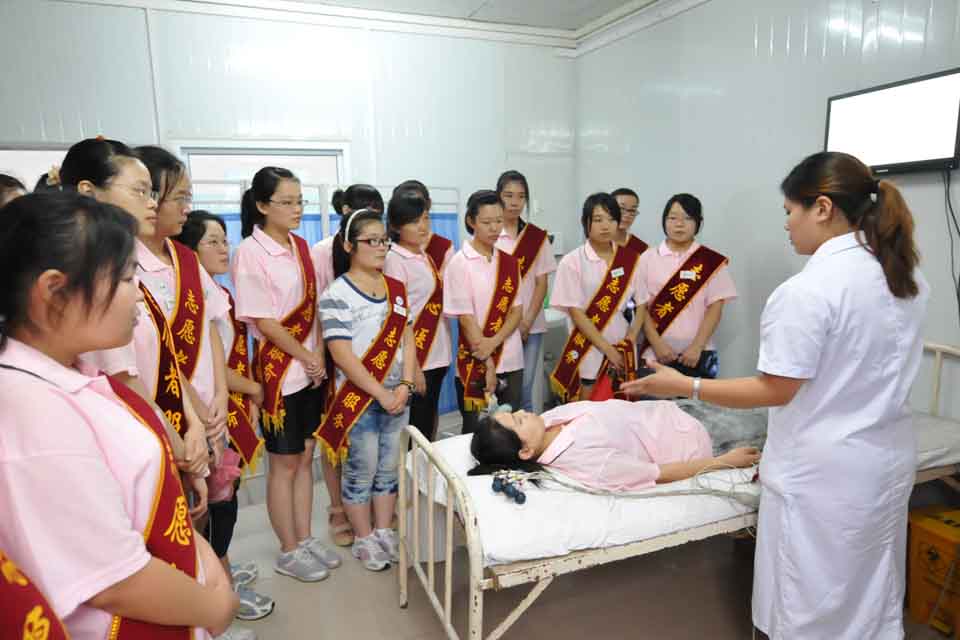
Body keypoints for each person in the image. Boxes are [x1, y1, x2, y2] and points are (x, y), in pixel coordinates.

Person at [622, 151, 929, 640]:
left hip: (822, 475)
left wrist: (683, 385)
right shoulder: (906, 278)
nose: (786, 224)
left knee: (807, 605)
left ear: (822, 208)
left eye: (790, 211)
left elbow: (775, 389)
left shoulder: (808, 292)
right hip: (883, 462)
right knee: (868, 593)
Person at [0, 192, 238, 638]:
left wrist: (201, 558)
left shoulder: (73, 373)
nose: (140, 300)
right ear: (53, 292)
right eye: (128, 278)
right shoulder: (31, 411)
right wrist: (216, 606)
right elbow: (115, 580)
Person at [231, 166, 339, 583]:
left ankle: (305, 537)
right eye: (287, 202)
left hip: (309, 370)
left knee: (306, 457)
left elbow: (313, 309)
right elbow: (263, 319)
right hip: (281, 373)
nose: (297, 209)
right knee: (284, 463)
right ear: (262, 205)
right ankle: (288, 549)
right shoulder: (250, 252)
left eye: (300, 201)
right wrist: (307, 355)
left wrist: (317, 355)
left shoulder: (301, 246)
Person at [176, 210, 277, 632]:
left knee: (222, 504)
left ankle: (224, 578)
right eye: (212, 241)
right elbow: (181, 366)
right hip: (197, 417)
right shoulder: (184, 295)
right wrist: (249, 390)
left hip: (216, 410)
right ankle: (220, 599)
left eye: (224, 239)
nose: (224, 249)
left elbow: (217, 358)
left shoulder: (214, 291)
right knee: (212, 510)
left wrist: (229, 395)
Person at [316, 208, 416, 571]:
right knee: (362, 469)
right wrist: (381, 393)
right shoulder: (336, 294)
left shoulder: (396, 289)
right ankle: (363, 537)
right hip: (359, 398)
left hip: (397, 394)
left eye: (384, 240)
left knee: (389, 468)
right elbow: (341, 355)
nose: (380, 247)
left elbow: (407, 337)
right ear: (349, 245)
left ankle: (383, 530)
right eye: (370, 240)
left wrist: (405, 383)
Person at [310, 182, 385, 548]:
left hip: (373, 355)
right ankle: (338, 509)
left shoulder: (380, 248)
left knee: (372, 445)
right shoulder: (322, 251)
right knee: (337, 436)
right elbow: (315, 305)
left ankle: (370, 513)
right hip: (335, 351)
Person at [467, 400, 760, 488]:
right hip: (700, 440)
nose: (524, 412)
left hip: (675, 411)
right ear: (526, 451)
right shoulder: (586, 461)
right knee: (770, 421)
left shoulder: (546, 423)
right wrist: (725, 462)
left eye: (515, 413)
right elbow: (658, 473)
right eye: (518, 421)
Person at [550, 193, 648, 402]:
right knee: (588, 408)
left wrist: (631, 338)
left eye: (611, 219)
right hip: (587, 347)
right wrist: (607, 349)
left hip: (622, 346)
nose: (605, 226)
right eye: (598, 219)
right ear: (586, 223)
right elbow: (576, 313)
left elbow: (642, 303)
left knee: (622, 408)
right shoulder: (572, 261)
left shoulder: (631, 259)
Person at [443, 190, 523, 433]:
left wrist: (493, 342)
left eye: (499, 221)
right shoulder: (459, 263)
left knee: (511, 431)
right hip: (475, 362)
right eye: (487, 222)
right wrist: (487, 361)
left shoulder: (509, 263)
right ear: (471, 221)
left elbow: (516, 311)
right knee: (476, 433)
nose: (494, 228)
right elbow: (466, 319)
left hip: (511, 358)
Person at [638, 193, 737, 378]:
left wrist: (697, 347)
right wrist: (657, 344)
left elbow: (715, 308)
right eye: (672, 218)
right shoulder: (647, 258)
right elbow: (640, 307)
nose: (679, 224)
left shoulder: (710, 260)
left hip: (700, 353)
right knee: (652, 398)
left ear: (699, 222)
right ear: (664, 221)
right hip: (654, 353)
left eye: (687, 218)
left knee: (698, 399)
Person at [383, 189, 451, 441]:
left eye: (425, 218)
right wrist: (415, 368)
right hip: (418, 359)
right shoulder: (394, 260)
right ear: (395, 226)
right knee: (415, 432)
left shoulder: (423, 255)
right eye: (413, 221)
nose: (422, 226)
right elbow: (398, 317)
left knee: (428, 421)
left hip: (437, 354)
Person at [495, 170, 557, 412]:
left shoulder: (536, 237)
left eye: (521, 196)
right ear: (498, 196)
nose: (515, 202)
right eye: (508, 195)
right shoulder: (491, 235)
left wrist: (527, 321)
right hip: (497, 325)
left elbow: (542, 283)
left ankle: (529, 433)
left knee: (526, 389)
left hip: (531, 326)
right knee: (502, 390)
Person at [611, 187, 648, 255]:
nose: (627, 215)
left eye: (632, 210)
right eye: (621, 208)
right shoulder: (595, 242)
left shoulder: (640, 248)